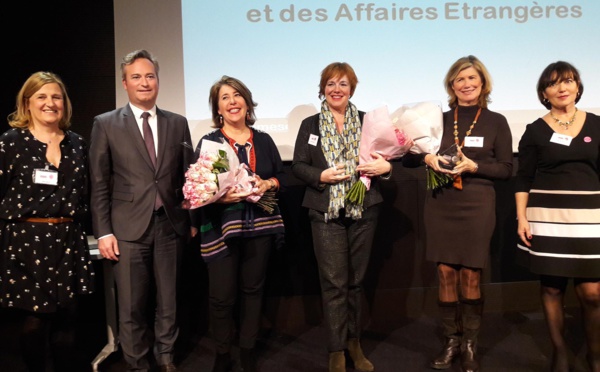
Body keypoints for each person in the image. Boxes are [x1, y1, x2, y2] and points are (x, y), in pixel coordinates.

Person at [402, 55, 513, 372]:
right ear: (452, 85)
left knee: (471, 274)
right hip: (441, 202)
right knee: (445, 272)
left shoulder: (496, 121)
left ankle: (470, 345)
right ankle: (452, 340)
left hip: (477, 202)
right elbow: (407, 158)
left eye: (472, 79)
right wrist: (425, 159)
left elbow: (507, 169)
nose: (466, 84)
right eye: (460, 79)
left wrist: (474, 165)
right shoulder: (437, 118)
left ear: (483, 84)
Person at [89, 50, 194, 372]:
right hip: (127, 230)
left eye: (150, 76)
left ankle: (166, 357)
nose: (144, 82)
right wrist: (104, 231)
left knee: (169, 300)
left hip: (170, 226)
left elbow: (188, 178)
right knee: (132, 304)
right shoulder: (105, 124)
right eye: (136, 76)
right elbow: (99, 183)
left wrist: (190, 220)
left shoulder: (177, 123)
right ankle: (137, 363)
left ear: (158, 81)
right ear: (124, 83)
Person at [292, 62, 393, 372]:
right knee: (334, 283)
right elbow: (298, 165)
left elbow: (386, 157)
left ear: (352, 89)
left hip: (363, 208)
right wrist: (320, 175)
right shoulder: (310, 125)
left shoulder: (367, 122)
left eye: (344, 84)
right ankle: (336, 349)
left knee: (356, 282)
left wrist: (386, 169)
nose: (337, 89)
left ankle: (355, 343)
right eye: (331, 83)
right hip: (325, 211)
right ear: (322, 87)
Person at [0, 71, 95, 371]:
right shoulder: (11, 142)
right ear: (27, 103)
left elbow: (85, 194)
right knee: (34, 323)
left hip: (68, 240)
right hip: (26, 242)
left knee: (68, 321)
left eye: (56, 96)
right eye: (41, 96)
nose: (50, 103)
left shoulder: (77, 143)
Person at [192, 75, 285, 372]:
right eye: (225, 98)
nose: (232, 102)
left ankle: (247, 349)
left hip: (261, 227)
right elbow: (200, 189)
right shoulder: (210, 142)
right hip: (221, 229)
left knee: (253, 291)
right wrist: (220, 197)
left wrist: (267, 183)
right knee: (221, 296)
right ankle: (222, 351)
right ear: (217, 108)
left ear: (247, 103)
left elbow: (282, 176)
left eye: (237, 96)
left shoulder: (265, 140)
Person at [515, 61, 600, 372]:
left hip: (591, 219)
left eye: (568, 81)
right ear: (544, 93)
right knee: (552, 287)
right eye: (554, 83)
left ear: (578, 86)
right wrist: (521, 218)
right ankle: (560, 353)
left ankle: (595, 355)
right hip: (547, 217)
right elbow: (523, 178)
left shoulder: (597, 125)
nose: (562, 87)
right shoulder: (535, 131)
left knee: (592, 292)